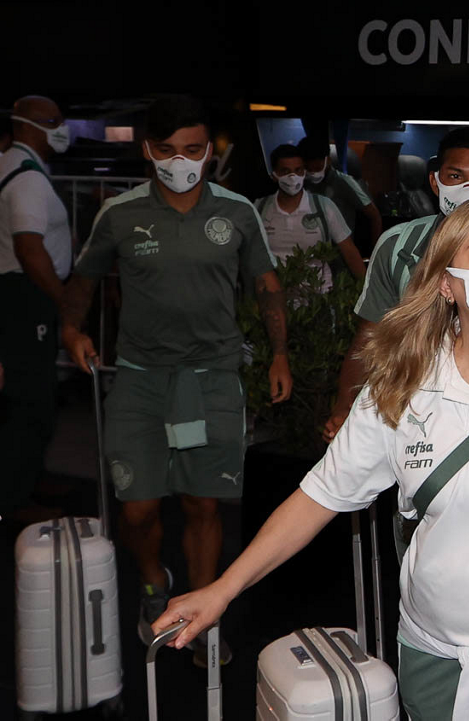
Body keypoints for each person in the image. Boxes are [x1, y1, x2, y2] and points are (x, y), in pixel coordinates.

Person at [153, 193, 469, 721]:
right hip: (433, 653)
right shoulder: (402, 385)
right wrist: (223, 589)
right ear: (446, 283)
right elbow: (319, 497)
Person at [60, 95, 292, 667]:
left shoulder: (237, 212)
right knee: (137, 510)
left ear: (209, 151)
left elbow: (266, 285)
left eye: (191, 149)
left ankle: (201, 616)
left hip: (211, 379)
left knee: (202, 505)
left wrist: (279, 355)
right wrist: (71, 330)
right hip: (140, 380)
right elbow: (85, 279)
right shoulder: (119, 213)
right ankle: (152, 582)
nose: (179, 161)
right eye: (166, 150)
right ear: (147, 150)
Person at [322, 127, 469, 557]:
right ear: (434, 182)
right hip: (416, 417)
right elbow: (370, 336)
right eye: (456, 176)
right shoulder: (398, 246)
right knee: (421, 534)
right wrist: (345, 404)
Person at [0, 95, 73, 523]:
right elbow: (29, 248)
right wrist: (64, 301)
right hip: (27, 296)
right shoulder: (27, 178)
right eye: (56, 121)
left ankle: (28, 478)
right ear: (32, 125)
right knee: (32, 400)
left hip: (19, 295)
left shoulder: (13, 165)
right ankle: (14, 498)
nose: (63, 129)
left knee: (29, 394)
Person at [255, 143, 365, 290]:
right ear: (274, 174)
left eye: (298, 170)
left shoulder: (323, 207)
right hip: (276, 297)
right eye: (285, 171)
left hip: (318, 297)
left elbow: (350, 252)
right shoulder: (260, 208)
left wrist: (368, 290)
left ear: (304, 172)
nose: (293, 177)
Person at [299, 136, 383, 256]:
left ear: (328, 160)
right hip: (307, 253)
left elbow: (374, 215)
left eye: (317, 168)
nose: (313, 173)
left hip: (339, 255)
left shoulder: (343, 182)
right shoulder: (301, 183)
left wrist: (375, 252)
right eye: (308, 169)